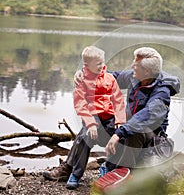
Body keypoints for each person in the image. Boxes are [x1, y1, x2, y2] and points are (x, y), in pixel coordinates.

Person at [79, 47, 180, 191]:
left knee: (137, 129)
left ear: (147, 72)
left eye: (136, 65)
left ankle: (121, 173)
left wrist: (118, 134)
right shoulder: (135, 77)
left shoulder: (162, 92)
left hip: (149, 141)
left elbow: (145, 117)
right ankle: (70, 168)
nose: (132, 66)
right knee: (93, 122)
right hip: (126, 131)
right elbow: (112, 77)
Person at [43, 45, 126, 190]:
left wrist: (120, 121)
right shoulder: (82, 81)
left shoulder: (110, 78)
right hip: (93, 117)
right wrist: (90, 123)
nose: (101, 66)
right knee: (84, 138)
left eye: (102, 62)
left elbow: (118, 101)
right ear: (86, 66)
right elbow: (80, 104)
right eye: (98, 64)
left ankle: (108, 169)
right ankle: (75, 173)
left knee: (120, 137)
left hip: (110, 118)